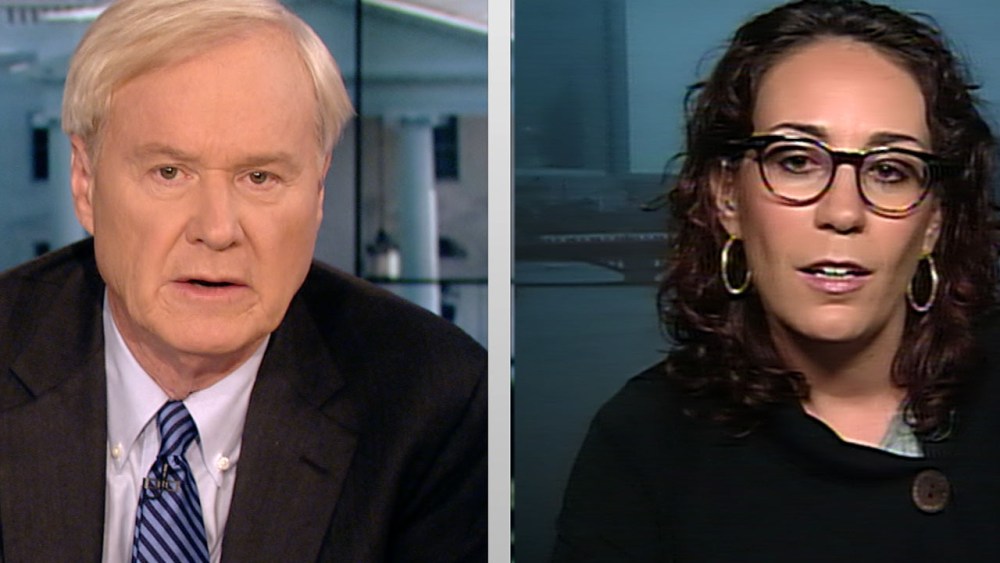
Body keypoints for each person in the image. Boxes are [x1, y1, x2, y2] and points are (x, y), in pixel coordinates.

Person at [0, 0, 486, 561]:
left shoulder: (429, 402)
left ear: (318, 192)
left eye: (260, 177)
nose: (217, 230)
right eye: (169, 173)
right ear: (85, 182)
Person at [554, 1, 1000, 561]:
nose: (843, 212)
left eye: (889, 170)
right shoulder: (644, 441)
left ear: (933, 220)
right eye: (795, 161)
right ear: (728, 198)